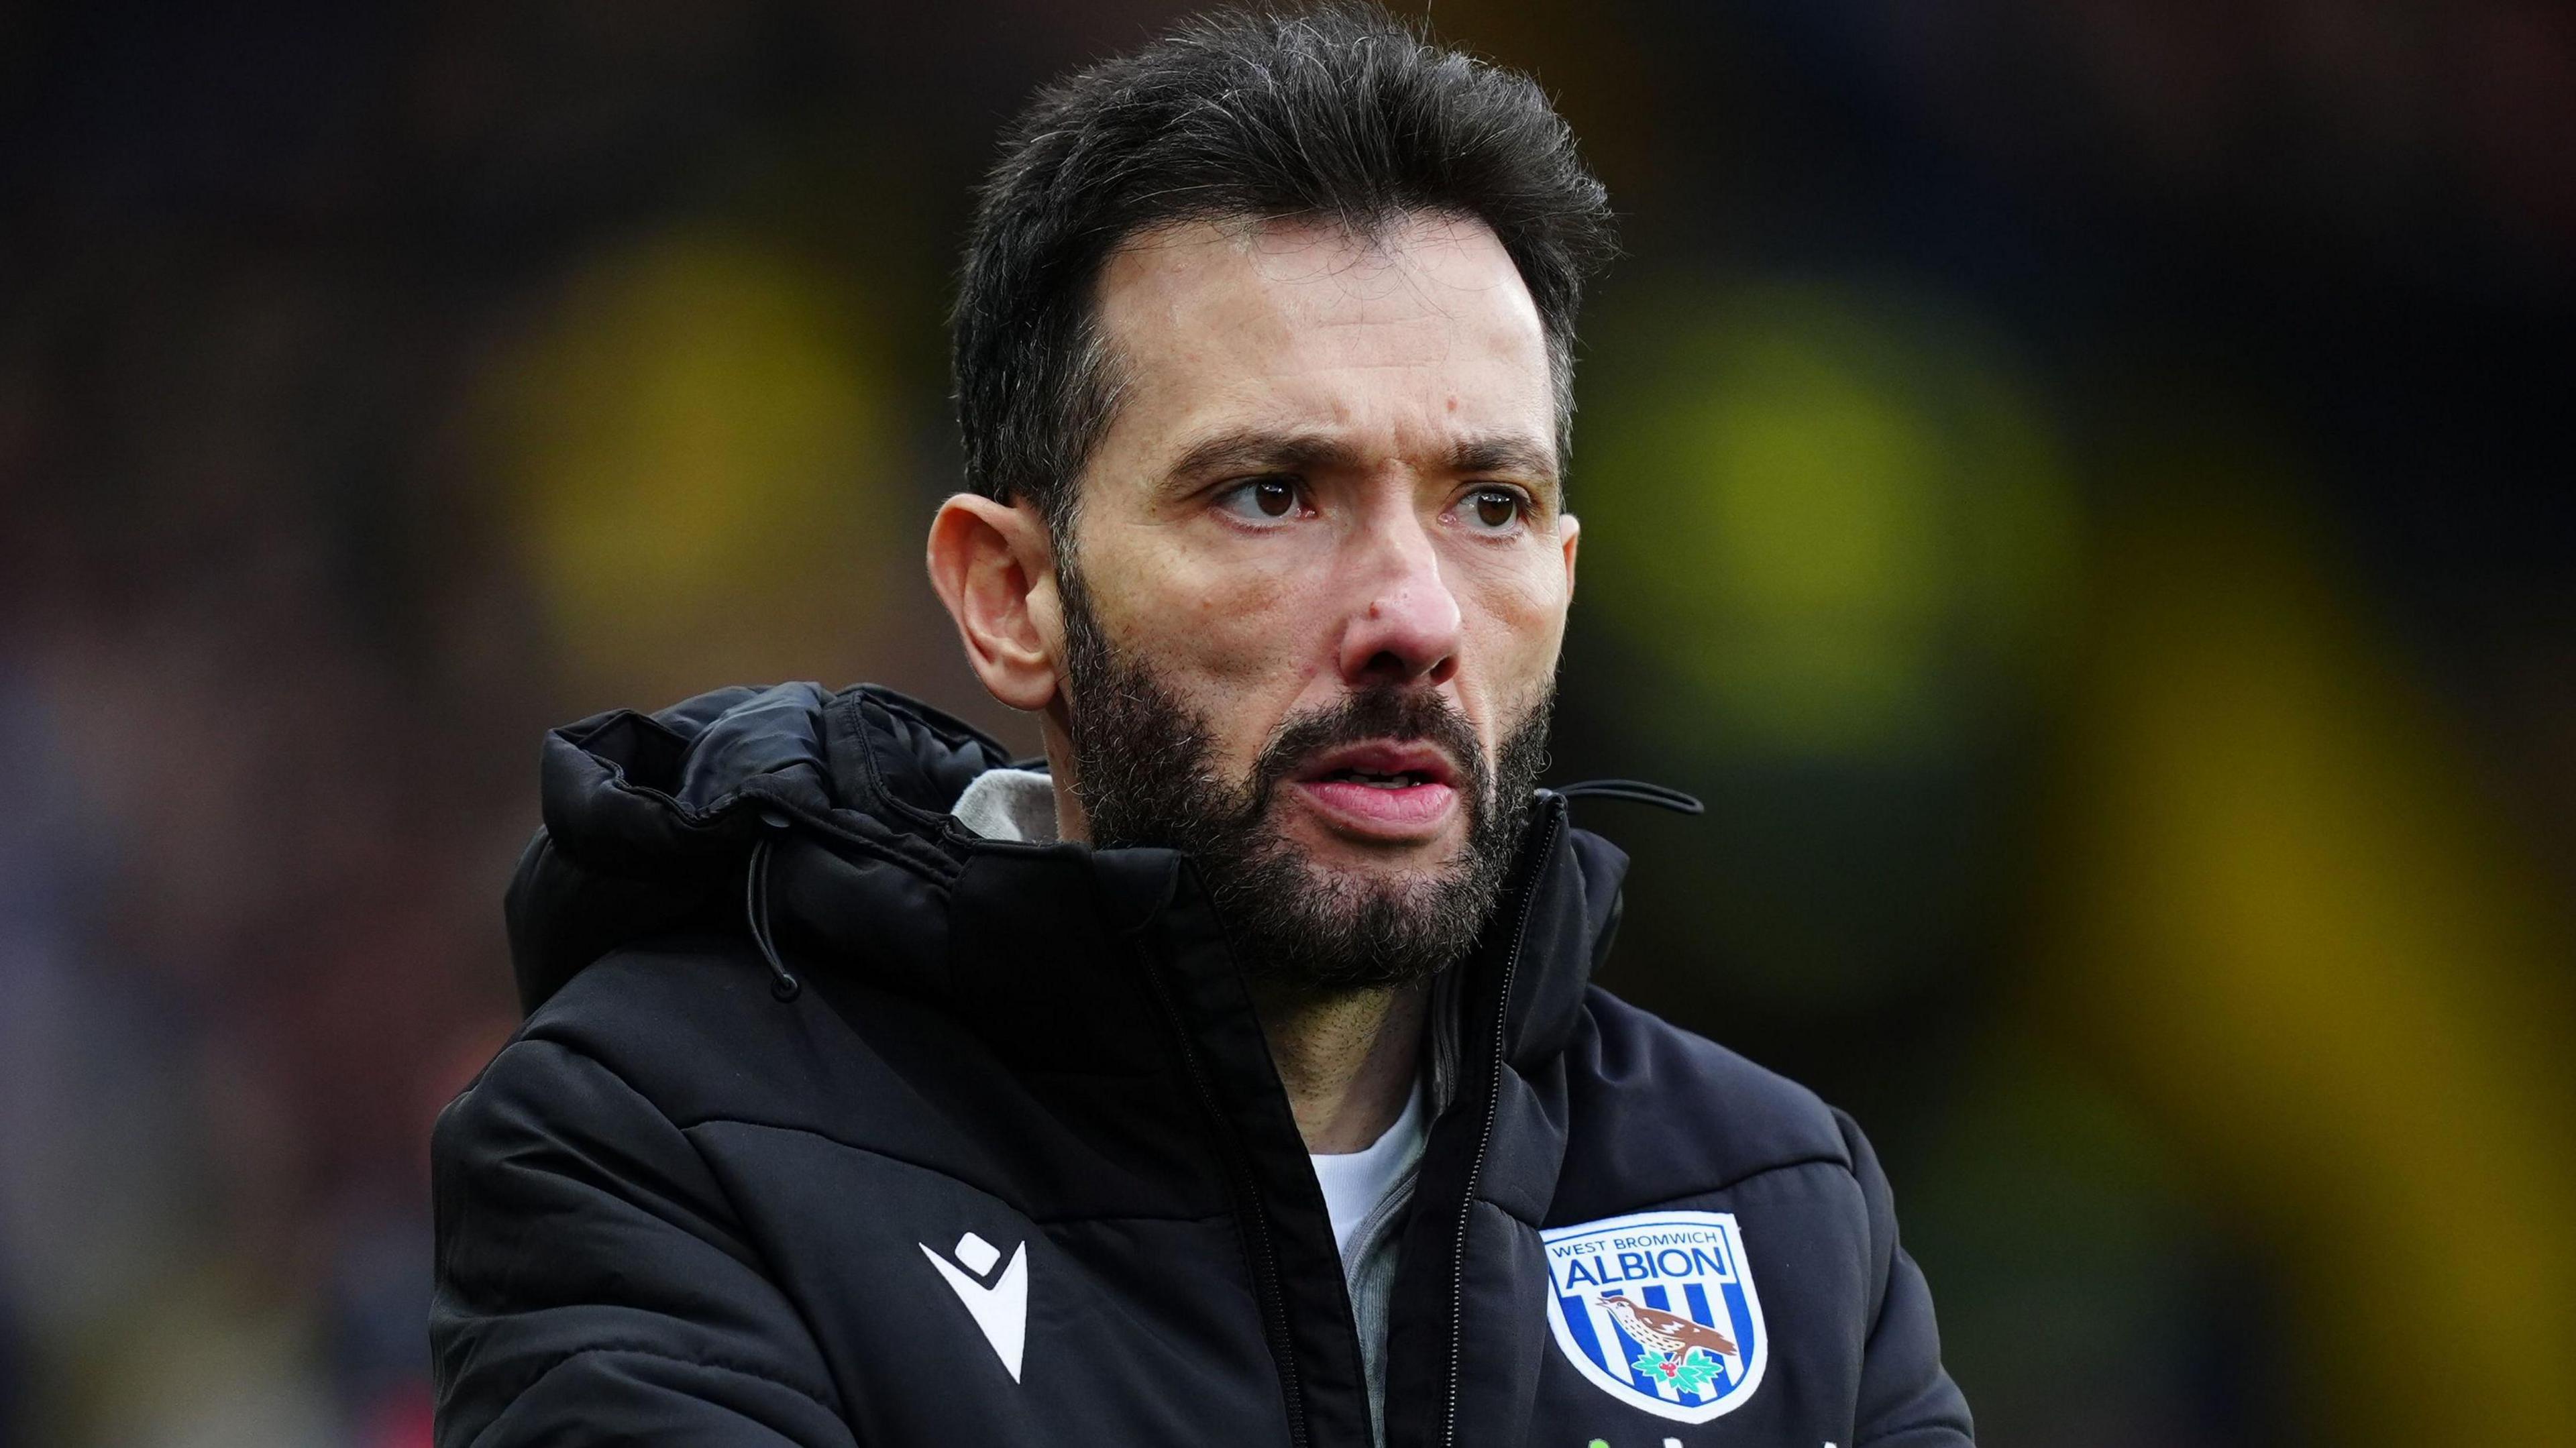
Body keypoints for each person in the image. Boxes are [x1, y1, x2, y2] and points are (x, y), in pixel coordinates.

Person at [429, 7, 1974, 1446]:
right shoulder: (661, 1144)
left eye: (1489, 507)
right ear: (1015, 595)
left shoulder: (1779, 1210)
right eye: (1271, 494)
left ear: (1566, 578)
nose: (1413, 616)